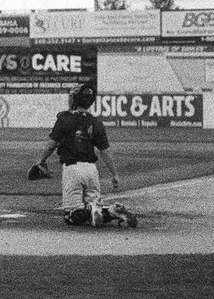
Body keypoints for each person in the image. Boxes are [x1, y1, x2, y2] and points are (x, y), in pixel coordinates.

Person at [34, 83, 137, 228]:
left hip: (72, 170)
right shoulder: (96, 123)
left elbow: (52, 144)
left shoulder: (64, 119)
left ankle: (90, 209)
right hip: (91, 171)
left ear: (75, 100)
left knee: (71, 216)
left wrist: (41, 160)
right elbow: (105, 151)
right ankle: (114, 211)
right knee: (95, 213)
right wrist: (114, 174)